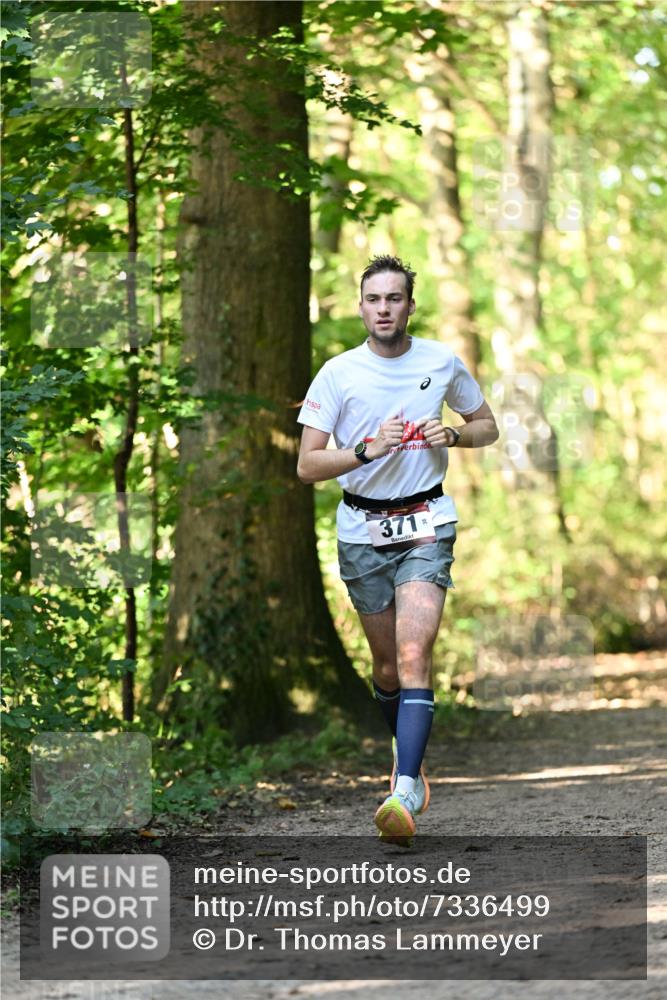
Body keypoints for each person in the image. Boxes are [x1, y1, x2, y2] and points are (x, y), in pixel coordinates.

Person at [296, 254, 499, 843]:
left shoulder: (440, 361)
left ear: (411, 305)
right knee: (386, 667)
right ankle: (405, 748)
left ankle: (404, 786)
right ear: (361, 307)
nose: (384, 308)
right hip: (363, 530)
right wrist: (364, 451)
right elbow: (307, 466)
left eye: (395, 298)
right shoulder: (337, 373)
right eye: (374, 299)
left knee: (414, 653)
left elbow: (487, 425)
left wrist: (455, 434)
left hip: (427, 522)